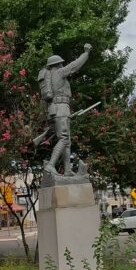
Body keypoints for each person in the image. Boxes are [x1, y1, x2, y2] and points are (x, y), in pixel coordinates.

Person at [38, 44, 91, 175]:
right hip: (60, 109)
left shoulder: (50, 75)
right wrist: (86, 53)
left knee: (66, 140)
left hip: (56, 110)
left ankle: (67, 170)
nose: (63, 65)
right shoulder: (60, 72)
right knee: (64, 138)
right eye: (61, 63)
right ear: (58, 64)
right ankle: (51, 164)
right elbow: (75, 65)